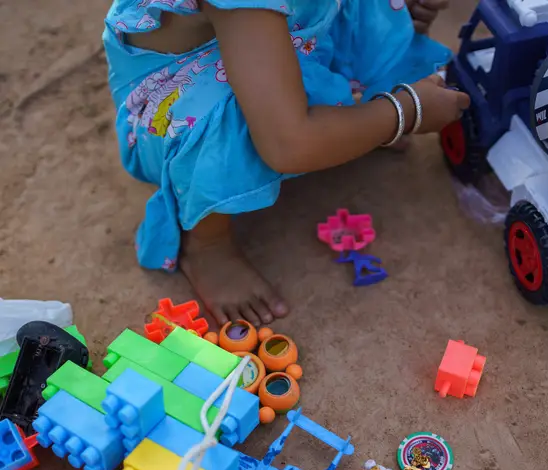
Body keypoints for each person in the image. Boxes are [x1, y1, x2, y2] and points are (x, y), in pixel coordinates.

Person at [103, 0, 470, 327]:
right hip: (179, 92)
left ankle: (354, 119)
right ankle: (206, 245)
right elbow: (287, 145)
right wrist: (405, 112)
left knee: (373, 11)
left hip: (287, 32)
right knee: (233, 127)